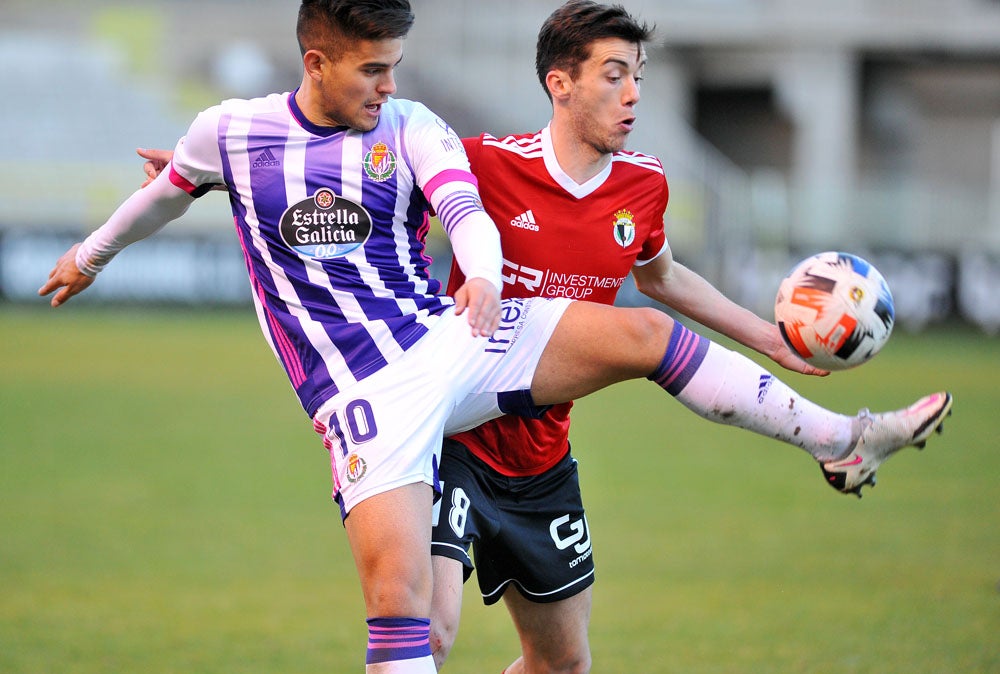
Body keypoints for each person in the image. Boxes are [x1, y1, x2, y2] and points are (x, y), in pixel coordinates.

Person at [41, 1, 953, 672]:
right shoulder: (230, 134)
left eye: (397, 65)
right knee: (407, 624)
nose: (390, 85)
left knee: (642, 333)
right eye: (373, 69)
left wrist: (480, 269)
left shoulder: (415, 127)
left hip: (454, 338)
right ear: (316, 61)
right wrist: (91, 254)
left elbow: (461, 203)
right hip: (367, 400)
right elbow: (173, 186)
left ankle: (843, 438)